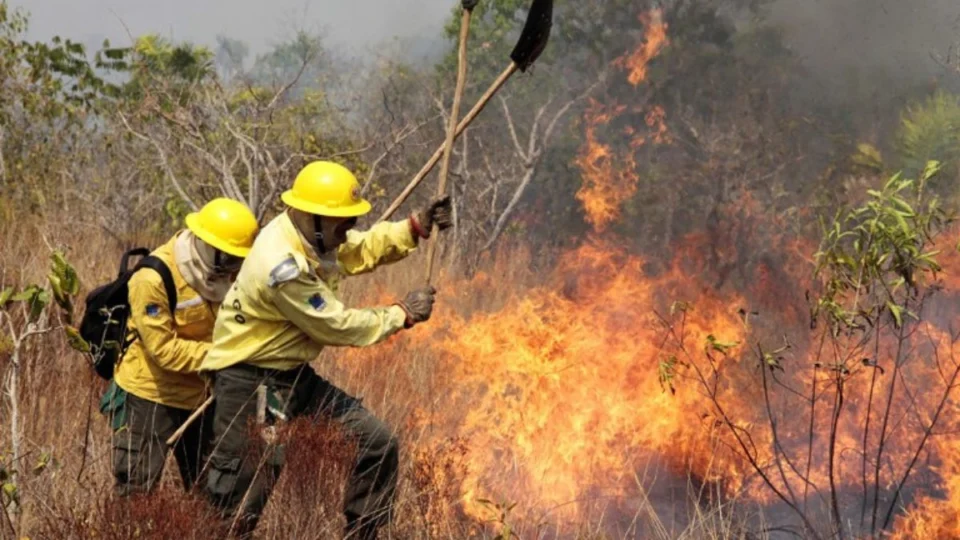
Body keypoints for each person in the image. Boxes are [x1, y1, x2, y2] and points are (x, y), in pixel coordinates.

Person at [201, 160, 451, 539]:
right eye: (342, 222)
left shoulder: (311, 235)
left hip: (293, 377)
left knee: (376, 443)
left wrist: (414, 227)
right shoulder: (281, 264)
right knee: (249, 485)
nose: (348, 230)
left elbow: (356, 249)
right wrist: (402, 314)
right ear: (311, 216)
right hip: (256, 384)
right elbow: (335, 324)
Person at [108, 198, 259, 496]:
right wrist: (225, 357)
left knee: (211, 491)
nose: (235, 268)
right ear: (206, 245)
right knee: (136, 493)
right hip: (150, 397)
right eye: (229, 258)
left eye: (239, 259)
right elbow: (163, 349)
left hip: (201, 395)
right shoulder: (152, 279)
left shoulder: (225, 275)